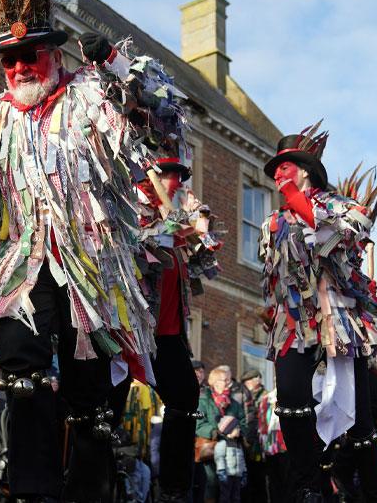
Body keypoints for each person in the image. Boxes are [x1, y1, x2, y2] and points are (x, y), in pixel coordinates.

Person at [0, 0, 187, 498]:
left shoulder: (90, 93)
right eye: (9, 59)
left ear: (55, 54)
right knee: (22, 367)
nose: (18, 68)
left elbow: (165, 117)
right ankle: (31, 487)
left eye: (29, 55)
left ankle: (90, 488)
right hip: (23, 261)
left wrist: (114, 61)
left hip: (92, 263)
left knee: (89, 397)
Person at [257, 123, 377, 502]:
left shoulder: (337, 205)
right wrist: (273, 310)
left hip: (339, 320)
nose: (279, 173)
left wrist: (300, 202)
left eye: (286, 166)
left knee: (362, 420)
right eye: (276, 169)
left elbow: (349, 231)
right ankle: (309, 487)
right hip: (295, 323)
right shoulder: (273, 223)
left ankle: (374, 494)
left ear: (305, 170)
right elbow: (276, 277)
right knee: (291, 402)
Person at [114, 150, 222, 501]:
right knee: (108, 402)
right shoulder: (131, 207)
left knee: (186, 395)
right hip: (130, 326)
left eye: (181, 175)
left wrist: (198, 222)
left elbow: (204, 253)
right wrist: (170, 225)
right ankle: (91, 479)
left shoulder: (174, 217)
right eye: (170, 174)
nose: (177, 181)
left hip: (168, 334)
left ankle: (174, 489)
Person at [197, 366, 247, 503]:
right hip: (211, 450)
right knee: (211, 485)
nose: (226, 383)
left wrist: (238, 431)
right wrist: (216, 432)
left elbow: (243, 423)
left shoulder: (234, 403)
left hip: (232, 451)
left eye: (227, 380)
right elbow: (199, 424)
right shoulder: (203, 400)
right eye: (222, 380)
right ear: (213, 381)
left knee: (232, 489)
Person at [241, 369, 267, 503]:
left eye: (253, 379)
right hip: (246, 441)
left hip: (260, 443)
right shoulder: (243, 395)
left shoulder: (266, 396)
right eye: (247, 381)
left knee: (259, 478)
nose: (250, 383)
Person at [216, 415, 247, 503]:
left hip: (237, 476)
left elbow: (242, 460)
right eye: (236, 428)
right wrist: (221, 471)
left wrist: (244, 472)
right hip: (227, 476)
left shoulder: (239, 445)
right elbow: (219, 458)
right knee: (225, 497)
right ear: (229, 430)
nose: (239, 430)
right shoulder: (223, 444)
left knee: (236, 497)